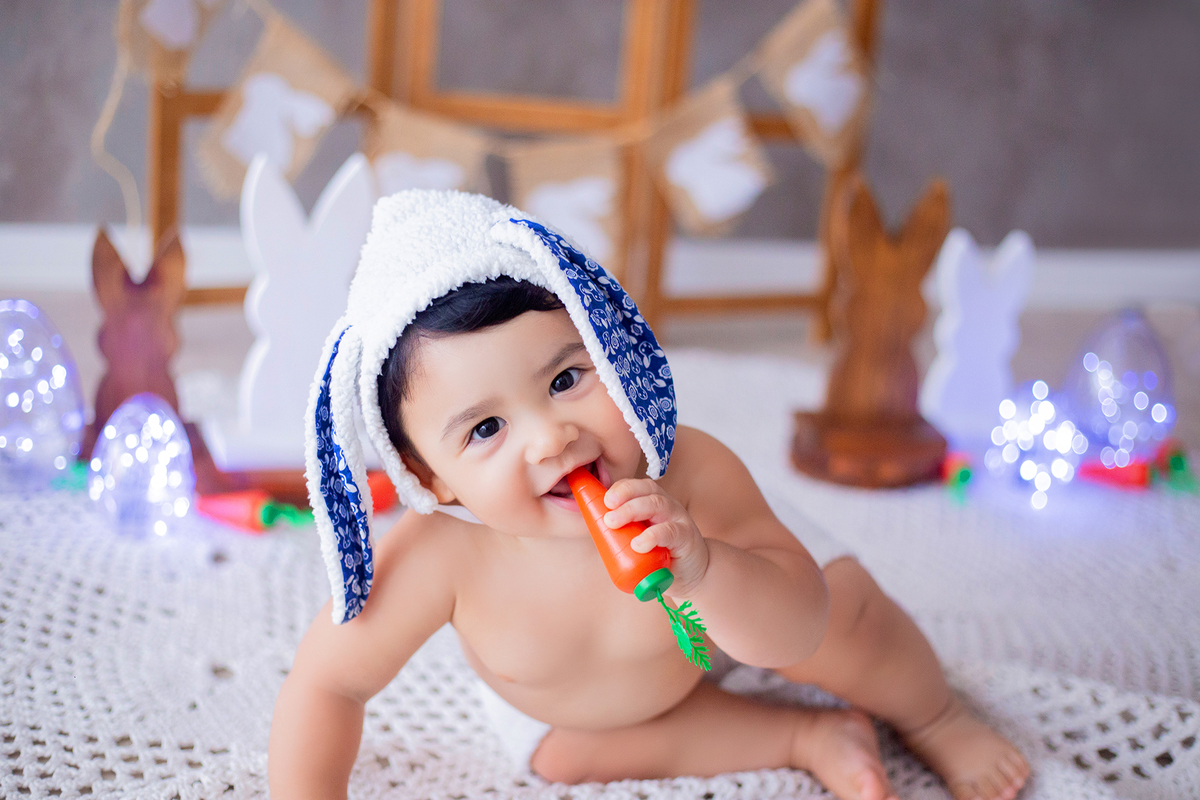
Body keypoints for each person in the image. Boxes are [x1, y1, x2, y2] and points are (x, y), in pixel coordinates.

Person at [269, 190, 1029, 800]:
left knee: (849, 626)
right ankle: (801, 738)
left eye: (567, 380)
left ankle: (936, 714)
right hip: (583, 711)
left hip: (732, 602)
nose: (552, 439)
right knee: (563, 755)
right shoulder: (438, 551)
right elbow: (329, 684)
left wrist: (705, 568)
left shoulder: (687, 475)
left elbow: (796, 631)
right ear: (426, 476)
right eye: (487, 428)